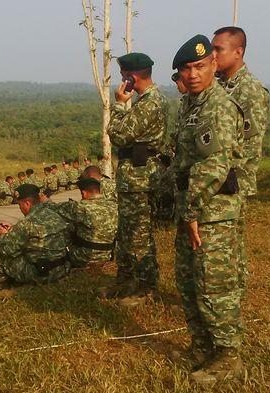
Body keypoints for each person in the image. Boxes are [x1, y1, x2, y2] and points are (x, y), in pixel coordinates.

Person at [172, 35, 245, 384]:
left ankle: (228, 357)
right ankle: (202, 346)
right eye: (187, 69)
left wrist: (190, 213)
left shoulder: (218, 106)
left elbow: (214, 166)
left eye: (200, 66)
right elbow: (184, 162)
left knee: (215, 286)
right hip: (193, 208)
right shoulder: (192, 105)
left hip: (211, 212)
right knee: (188, 282)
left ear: (214, 64)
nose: (193, 74)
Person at [104, 51, 169, 305]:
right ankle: (125, 281)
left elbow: (119, 135)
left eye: (123, 76)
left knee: (139, 235)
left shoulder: (151, 102)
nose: (121, 81)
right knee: (127, 232)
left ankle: (145, 287)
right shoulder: (145, 101)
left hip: (141, 179)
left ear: (131, 77)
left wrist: (119, 104)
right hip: (133, 177)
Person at [212, 26, 269, 298]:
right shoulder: (220, 85)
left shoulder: (250, 89)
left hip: (233, 179)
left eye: (218, 49)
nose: (213, 54)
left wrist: (227, 176)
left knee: (231, 239)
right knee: (222, 239)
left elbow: (248, 143)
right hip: (217, 175)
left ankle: (234, 292)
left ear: (238, 52)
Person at [0, 184, 72, 287]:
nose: (20, 209)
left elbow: (6, 250)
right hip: (61, 269)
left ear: (27, 203)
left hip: (41, 274)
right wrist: (13, 230)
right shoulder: (54, 215)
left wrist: (3, 236)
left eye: (20, 205)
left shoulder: (26, 224)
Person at [55, 178, 118, 267]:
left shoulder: (80, 207)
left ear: (84, 193)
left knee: (65, 225)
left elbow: (54, 208)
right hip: (107, 256)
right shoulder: (115, 206)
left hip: (83, 258)